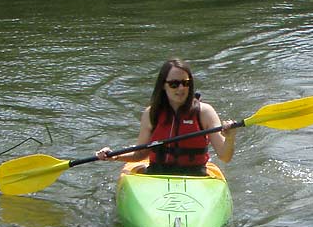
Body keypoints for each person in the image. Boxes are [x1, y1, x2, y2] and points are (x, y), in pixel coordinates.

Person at [96, 59, 236, 176]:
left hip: (196, 174)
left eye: (185, 83)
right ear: (164, 85)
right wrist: (114, 156)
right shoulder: (152, 113)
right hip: (157, 173)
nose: (181, 88)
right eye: (174, 84)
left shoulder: (205, 112)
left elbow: (225, 156)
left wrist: (230, 137)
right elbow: (140, 155)